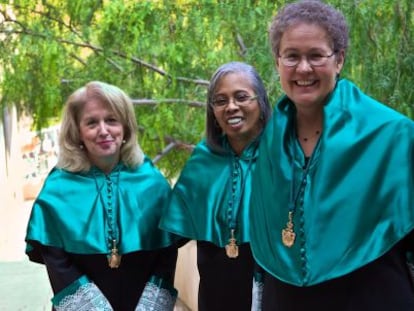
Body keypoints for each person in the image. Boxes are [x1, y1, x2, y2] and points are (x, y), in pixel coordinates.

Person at [249, 1, 414, 310]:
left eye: (316, 55)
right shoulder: (267, 144)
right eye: (292, 56)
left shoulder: (394, 135)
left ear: (339, 60)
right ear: (277, 62)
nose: (303, 68)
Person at [25, 81, 178, 310]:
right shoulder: (58, 187)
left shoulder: (152, 182)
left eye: (112, 120)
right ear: (77, 132)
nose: (104, 130)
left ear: (125, 126)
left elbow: (167, 252)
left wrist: (149, 306)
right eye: (92, 123)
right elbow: (56, 260)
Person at [160, 61, 272, 311]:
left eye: (241, 97)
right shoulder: (203, 160)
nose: (231, 106)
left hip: (275, 292)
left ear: (261, 102)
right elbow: (170, 236)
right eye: (220, 101)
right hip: (217, 294)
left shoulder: (283, 155)